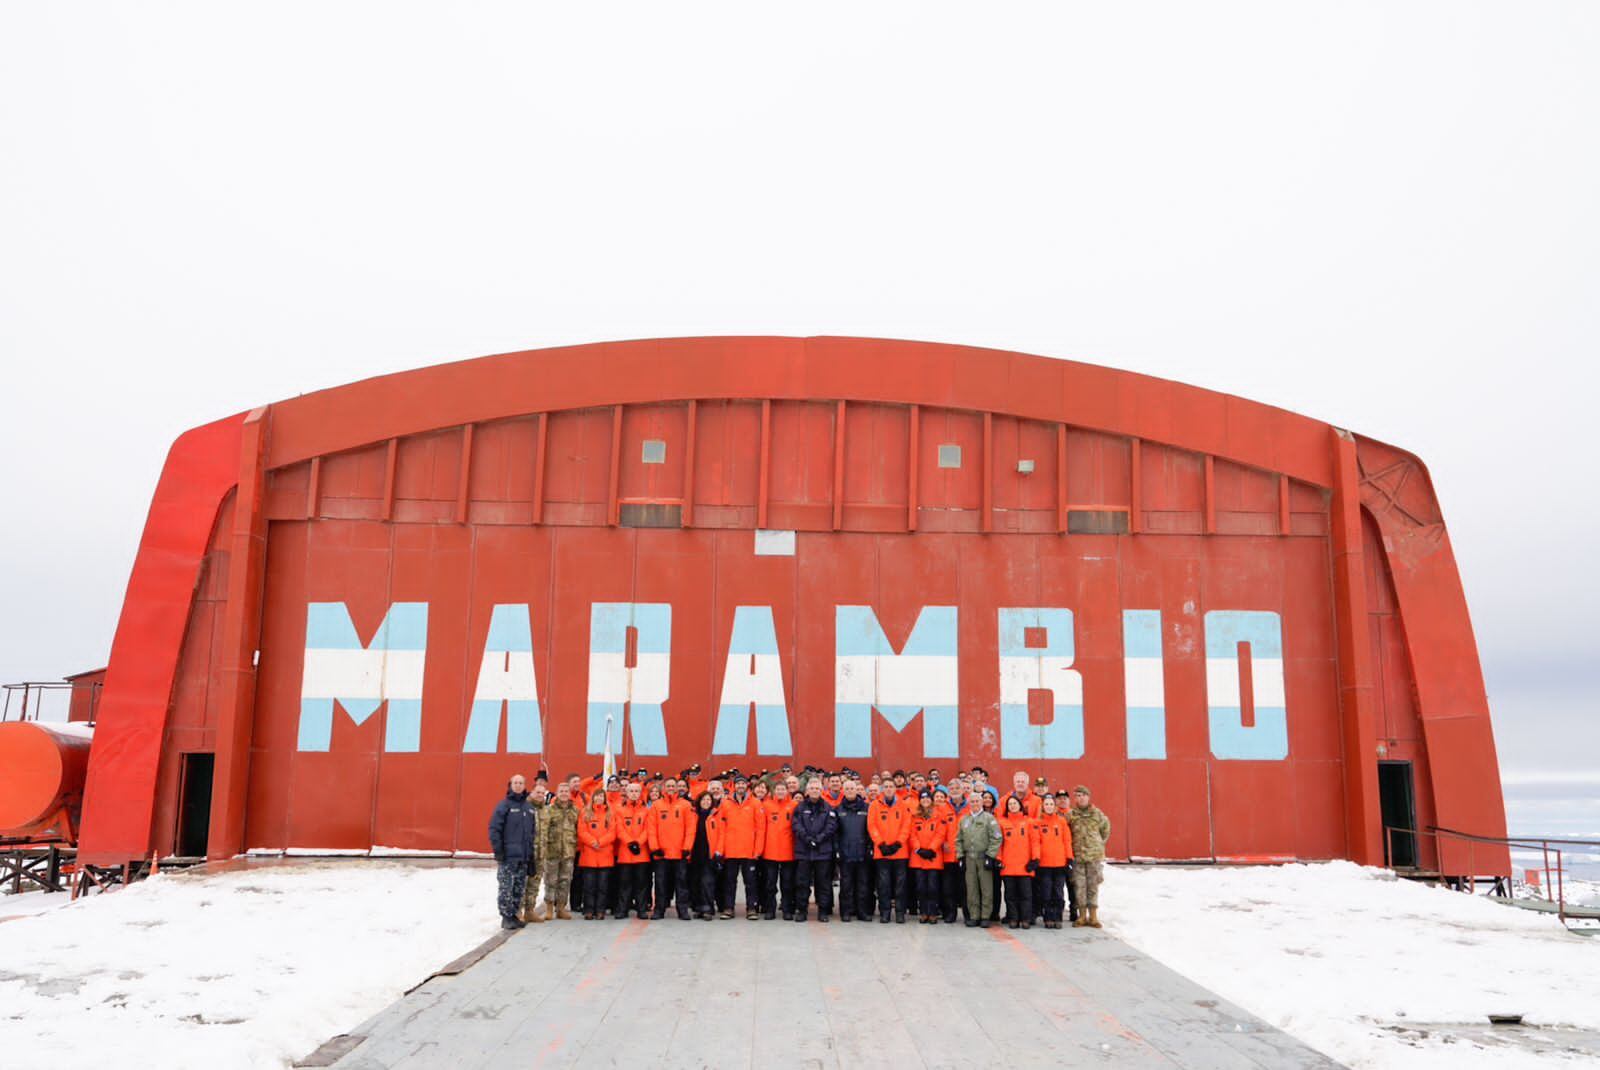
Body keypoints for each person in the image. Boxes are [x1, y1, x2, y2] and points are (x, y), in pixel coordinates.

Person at [488, 774, 538, 930]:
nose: (518, 785)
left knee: (518, 888)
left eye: (521, 783)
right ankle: (506, 917)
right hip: (508, 857)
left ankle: (515, 915)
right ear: (510, 785)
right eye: (515, 782)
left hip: (523, 857)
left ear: (525, 785)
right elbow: (494, 829)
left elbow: (531, 834)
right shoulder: (504, 806)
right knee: (506, 888)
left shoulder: (529, 808)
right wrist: (499, 852)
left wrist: (531, 858)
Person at [646, 778, 696, 920]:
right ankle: (659, 910)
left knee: (682, 884)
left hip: (680, 853)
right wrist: (655, 848)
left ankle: (683, 910)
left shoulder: (686, 805)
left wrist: (687, 847)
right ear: (664, 788)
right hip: (661, 854)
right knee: (661, 884)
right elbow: (651, 828)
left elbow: (690, 829)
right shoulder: (656, 805)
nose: (671, 788)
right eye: (668, 786)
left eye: (673, 786)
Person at [718, 775, 765, 919]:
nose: (740, 786)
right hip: (730, 850)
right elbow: (721, 828)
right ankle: (728, 908)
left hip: (748, 851)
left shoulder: (755, 803)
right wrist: (721, 849)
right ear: (734, 786)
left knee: (750, 882)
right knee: (729, 882)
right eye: (738, 784)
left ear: (747, 786)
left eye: (743, 784)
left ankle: (751, 908)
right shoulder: (725, 803)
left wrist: (758, 850)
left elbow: (760, 828)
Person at [791, 778, 838, 922]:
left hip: (822, 851)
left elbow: (831, 826)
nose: (814, 791)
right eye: (812, 788)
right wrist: (807, 838)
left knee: (823, 883)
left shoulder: (828, 807)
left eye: (817, 789)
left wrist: (819, 839)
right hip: (804, 851)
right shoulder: (799, 807)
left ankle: (823, 911)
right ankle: (802, 911)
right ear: (807, 791)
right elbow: (796, 825)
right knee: (802, 883)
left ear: (821, 791)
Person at [955, 787, 1002, 927]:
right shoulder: (964, 820)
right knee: (972, 888)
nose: (975, 803)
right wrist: (960, 856)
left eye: (977, 801)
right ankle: (974, 916)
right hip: (969, 858)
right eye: (972, 801)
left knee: (986, 889)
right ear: (969, 803)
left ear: (982, 803)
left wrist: (990, 856)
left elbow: (997, 838)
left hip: (983, 858)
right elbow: (958, 840)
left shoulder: (989, 819)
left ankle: (985, 916)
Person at [868, 777, 912, 923]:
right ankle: (884, 912)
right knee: (883, 885)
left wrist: (898, 843)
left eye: (891, 786)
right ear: (882, 789)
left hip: (900, 852)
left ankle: (900, 912)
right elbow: (871, 826)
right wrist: (881, 844)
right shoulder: (875, 805)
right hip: (882, 853)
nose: (888, 788)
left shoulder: (903, 805)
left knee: (901, 885)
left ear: (895, 788)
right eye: (885, 786)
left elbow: (907, 825)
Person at [534, 780, 579, 922]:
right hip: (552, 851)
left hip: (568, 851)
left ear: (569, 794)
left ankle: (561, 908)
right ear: (557, 794)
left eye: (566, 791)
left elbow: (579, 830)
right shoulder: (550, 809)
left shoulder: (575, 810)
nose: (564, 794)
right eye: (562, 791)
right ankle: (548, 908)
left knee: (565, 881)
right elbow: (543, 830)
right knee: (550, 881)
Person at [1067, 784, 1111, 928]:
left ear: (1088, 797)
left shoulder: (1097, 814)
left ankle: (1093, 917)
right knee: (1080, 886)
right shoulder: (1071, 815)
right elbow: (1066, 833)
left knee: (1093, 886)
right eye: (1077, 796)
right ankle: (1081, 917)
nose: (1080, 798)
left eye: (1082, 795)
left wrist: (1097, 845)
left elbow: (1106, 830)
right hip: (1078, 857)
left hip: (1094, 857)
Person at [997, 794, 1040, 928]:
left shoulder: (1029, 822)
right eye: (1010, 804)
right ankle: (1013, 918)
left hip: (1024, 866)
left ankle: (1025, 919)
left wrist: (1035, 859)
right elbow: (999, 844)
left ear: (1020, 805)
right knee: (1010, 895)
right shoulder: (1002, 822)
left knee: (1026, 894)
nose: (1012, 806)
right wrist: (998, 859)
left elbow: (1035, 842)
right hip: (1008, 866)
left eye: (1015, 803)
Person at [834, 779, 872, 922]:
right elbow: (835, 833)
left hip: (862, 853)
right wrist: (837, 850)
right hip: (845, 853)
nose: (850, 791)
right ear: (843, 791)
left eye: (852, 788)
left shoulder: (867, 808)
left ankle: (862, 912)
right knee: (846, 885)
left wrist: (869, 848)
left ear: (857, 790)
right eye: (847, 789)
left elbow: (870, 831)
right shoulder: (838, 810)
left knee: (863, 885)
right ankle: (846, 912)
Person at [613, 781, 652, 919]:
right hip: (625, 853)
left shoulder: (646, 810)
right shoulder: (619, 810)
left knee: (641, 884)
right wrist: (630, 843)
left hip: (641, 854)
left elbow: (649, 829)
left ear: (640, 793)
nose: (634, 794)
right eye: (631, 791)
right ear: (627, 793)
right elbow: (619, 829)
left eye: (636, 791)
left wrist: (639, 843)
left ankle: (641, 910)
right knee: (624, 884)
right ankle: (623, 909)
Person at [1033, 792, 1072, 928]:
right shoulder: (1038, 823)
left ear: (1055, 807)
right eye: (1046, 804)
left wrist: (1069, 858)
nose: (1049, 806)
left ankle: (1058, 917)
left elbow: (1067, 841)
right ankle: (1048, 917)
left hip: (1060, 864)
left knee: (1058, 892)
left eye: (1051, 804)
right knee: (1046, 892)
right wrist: (1036, 858)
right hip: (1044, 864)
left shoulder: (1061, 822)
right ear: (1043, 807)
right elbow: (1036, 842)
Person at [577, 792, 617, 919]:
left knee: (603, 886)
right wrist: (592, 842)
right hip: (589, 854)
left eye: (602, 797)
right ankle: (589, 910)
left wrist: (601, 842)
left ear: (605, 799)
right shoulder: (585, 813)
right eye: (597, 796)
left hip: (605, 854)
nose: (599, 799)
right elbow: (581, 831)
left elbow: (613, 832)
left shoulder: (610, 814)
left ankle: (600, 910)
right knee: (589, 885)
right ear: (593, 797)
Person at [760, 781, 797, 920]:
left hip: (788, 852)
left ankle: (787, 909)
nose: (780, 791)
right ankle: (770, 909)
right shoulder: (767, 805)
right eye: (778, 789)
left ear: (787, 791)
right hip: (771, 851)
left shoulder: (794, 805)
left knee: (787, 884)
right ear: (774, 791)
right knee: (770, 884)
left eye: (783, 789)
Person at [908, 791, 946, 924]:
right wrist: (918, 849)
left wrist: (931, 849)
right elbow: (911, 834)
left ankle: (933, 912)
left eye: (927, 798)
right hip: (918, 858)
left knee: (933, 887)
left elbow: (941, 834)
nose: (925, 800)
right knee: (921, 887)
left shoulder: (939, 815)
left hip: (933, 857)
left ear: (931, 800)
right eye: (922, 798)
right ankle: (923, 912)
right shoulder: (914, 816)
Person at [687, 789, 723, 920]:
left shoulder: (716, 815)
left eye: (708, 800)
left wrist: (718, 851)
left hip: (709, 855)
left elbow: (721, 835)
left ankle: (708, 908)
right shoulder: (693, 815)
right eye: (703, 800)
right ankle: (698, 908)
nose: (706, 802)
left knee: (707, 882)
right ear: (699, 801)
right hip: (695, 854)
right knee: (695, 882)